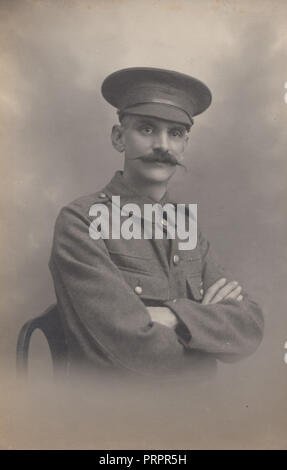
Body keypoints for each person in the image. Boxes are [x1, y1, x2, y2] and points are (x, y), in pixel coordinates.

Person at [49, 67, 264, 380]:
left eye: (175, 133)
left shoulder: (185, 224)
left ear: (185, 143)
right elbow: (126, 350)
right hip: (117, 418)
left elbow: (250, 326)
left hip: (197, 417)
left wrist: (170, 317)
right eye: (147, 129)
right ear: (119, 137)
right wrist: (204, 327)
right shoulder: (81, 221)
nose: (163, 145)